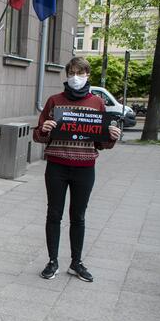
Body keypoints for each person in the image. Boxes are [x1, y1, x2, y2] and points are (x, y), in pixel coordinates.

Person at [33, 57, 121, 282]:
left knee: (78, 216)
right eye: (71, 72)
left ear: (87, 75)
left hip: (84, 168)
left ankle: (76, 262)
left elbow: (101, 142)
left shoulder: (97, 103)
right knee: (54, 213)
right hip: (57, 167)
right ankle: (52, 261)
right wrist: (44, 128)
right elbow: (38, 135)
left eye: (80, 73)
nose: (75, 77)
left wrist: (111, 138)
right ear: (66, 75)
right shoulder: (54, 101)